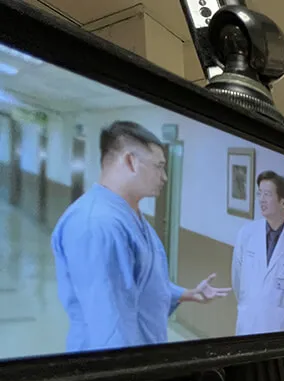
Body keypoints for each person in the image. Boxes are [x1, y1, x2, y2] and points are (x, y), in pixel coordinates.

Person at [51, 121, 230, 352]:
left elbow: (143, 283)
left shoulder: (128, 214)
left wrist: (186, 294)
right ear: (130, 161)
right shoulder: (98, 224)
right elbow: (109, 327)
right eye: (159, 167)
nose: (164, 177)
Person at [231, 170, 284, 335]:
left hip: (281, 327)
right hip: (248, 323)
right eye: (259, 193)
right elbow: (236, 279)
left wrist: (282, 313)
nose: (261, 199)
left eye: (267, 194)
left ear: (283, 203)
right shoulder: (246, 234)